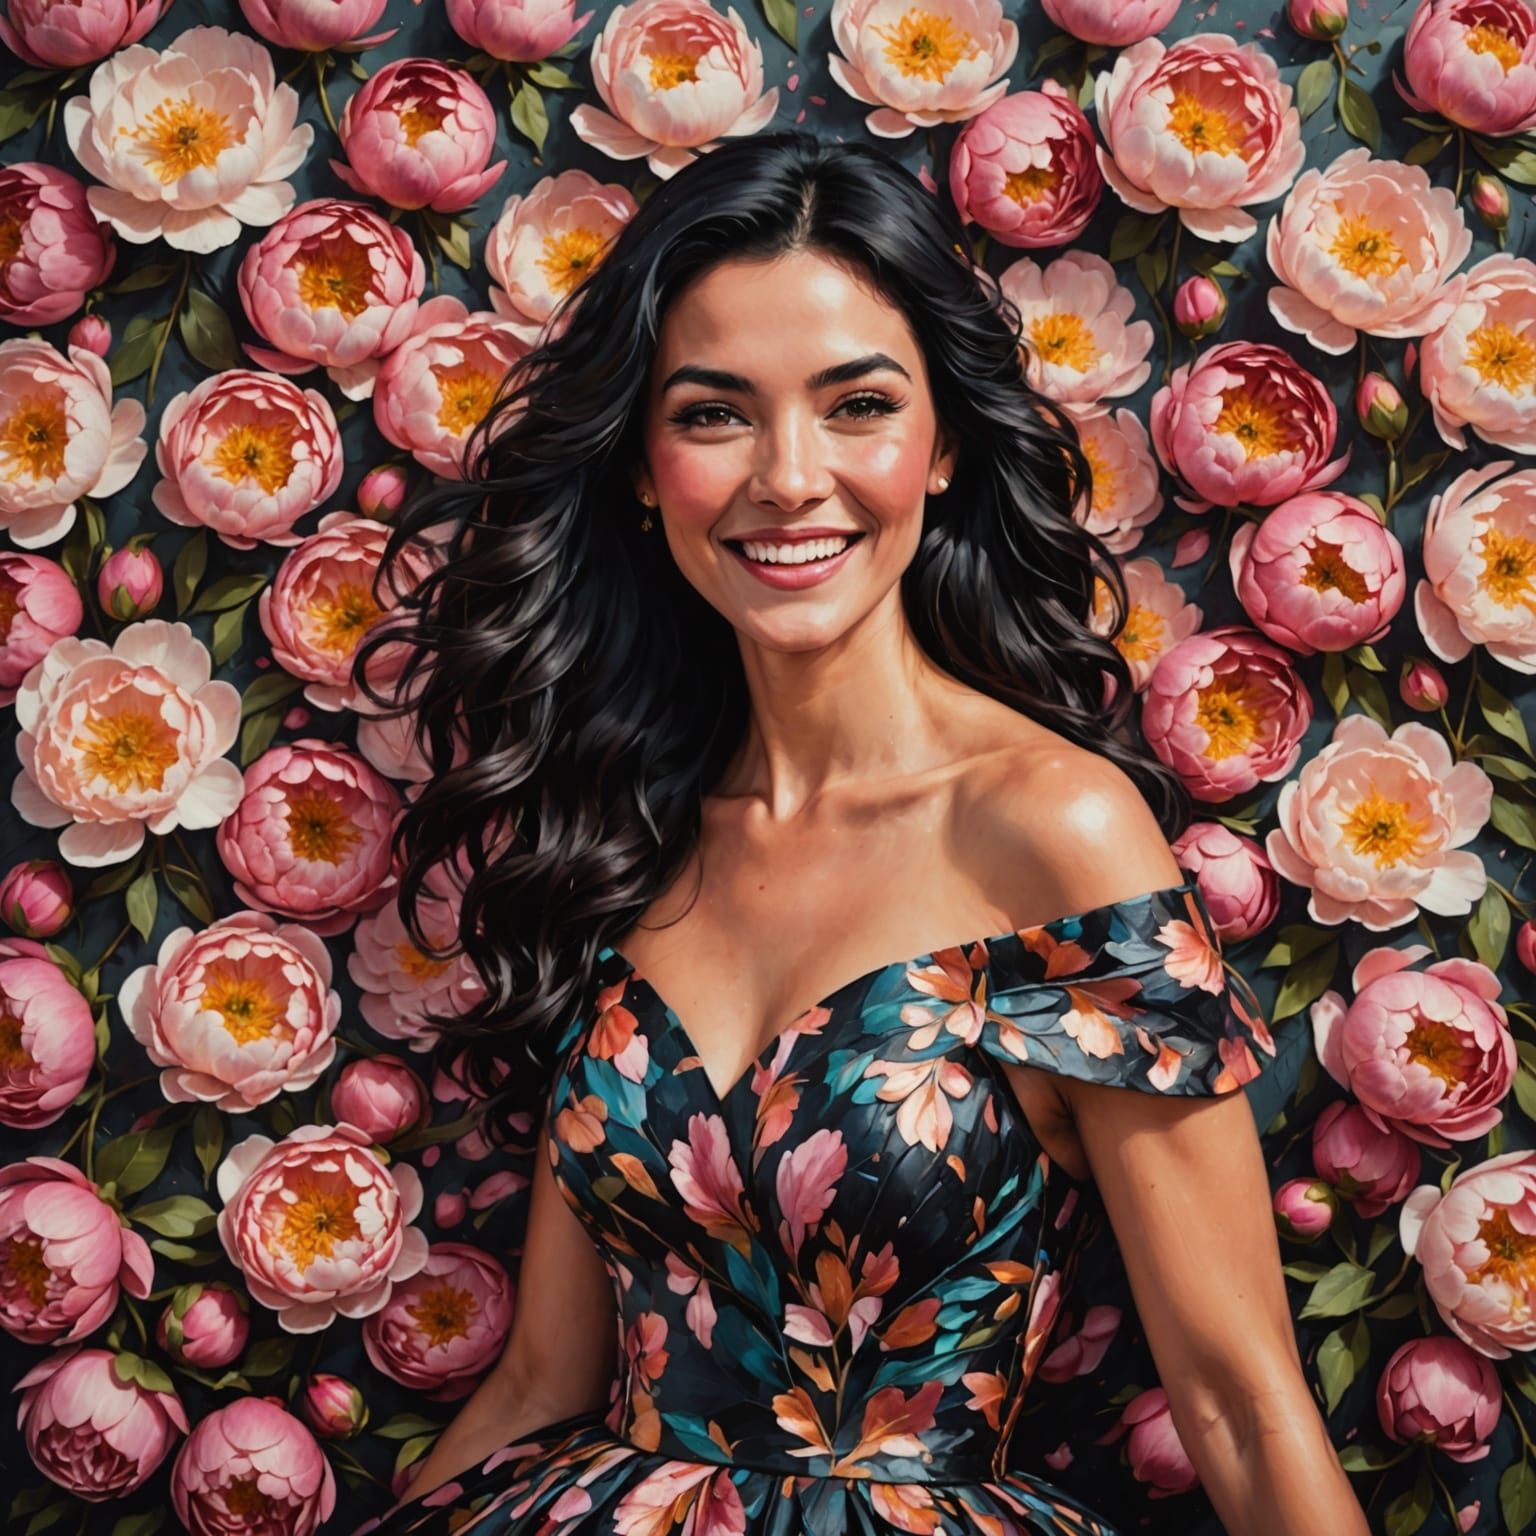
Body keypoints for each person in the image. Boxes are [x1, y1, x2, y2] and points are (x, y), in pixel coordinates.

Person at [353, 130, 1370, 1536]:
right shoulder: (628, 829)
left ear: (941, 445)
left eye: (857, 406)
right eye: (713, 413)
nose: (787, 476)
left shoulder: (1058, 833)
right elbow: (541, 1382)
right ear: (643, 469)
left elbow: (1242, 1400)